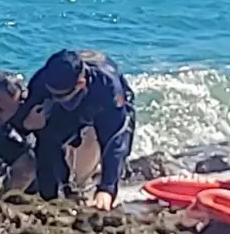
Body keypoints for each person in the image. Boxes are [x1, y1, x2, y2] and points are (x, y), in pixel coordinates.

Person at [10, 49, 136, 211]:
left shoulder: (108, 85)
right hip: (67, 107)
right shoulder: (43, 81)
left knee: (118, 149)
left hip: (102, 102)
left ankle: (101, 182)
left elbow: (115, 138)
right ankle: (57, 194)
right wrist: (27, 125)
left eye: (59, 95)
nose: (54, 98)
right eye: (51, 94)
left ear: (81, 84)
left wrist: (107, 189)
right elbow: (18, 126)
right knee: (47, 140)